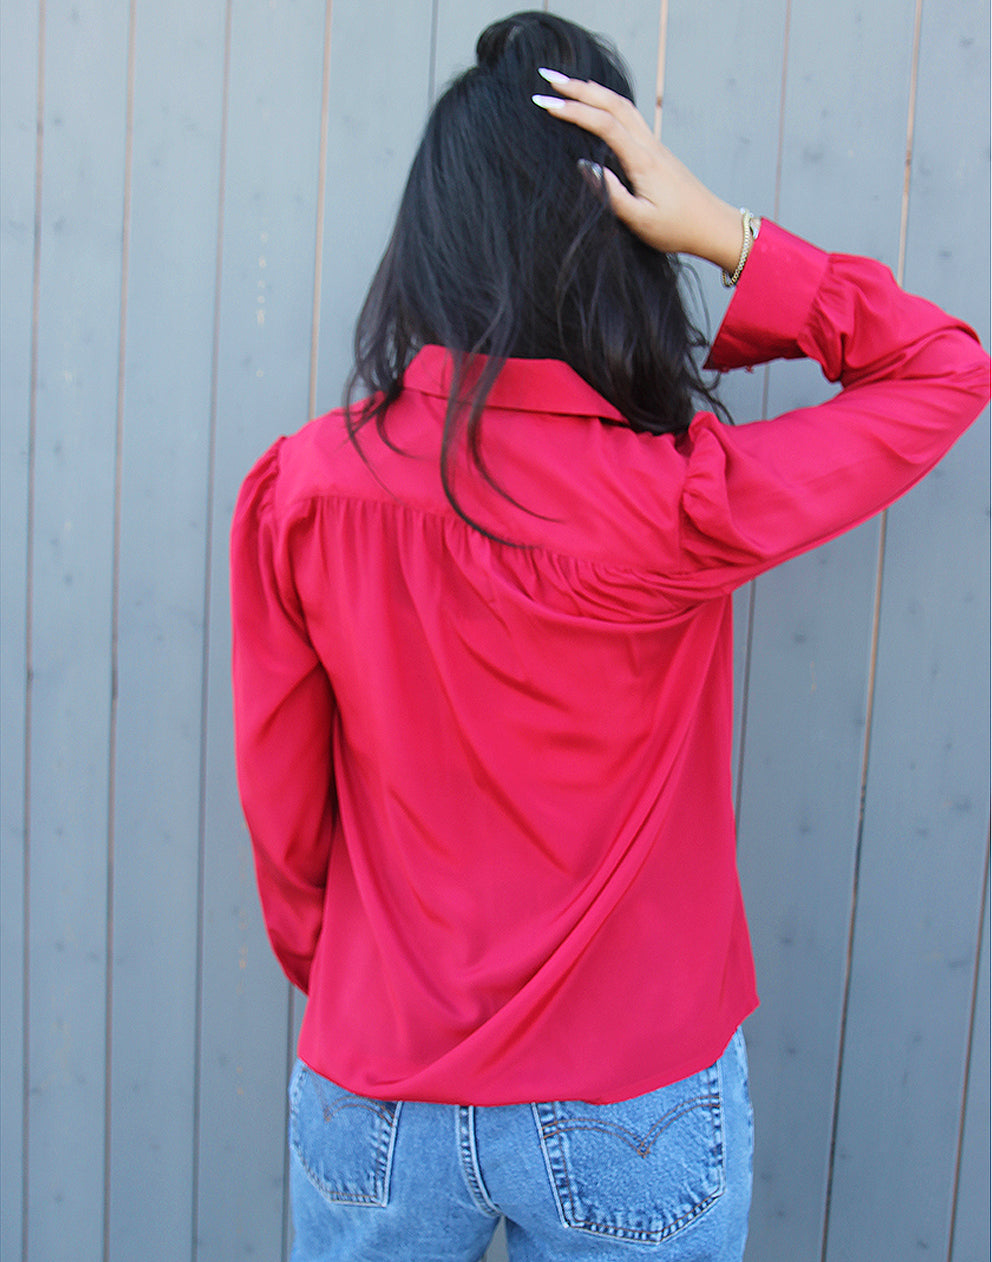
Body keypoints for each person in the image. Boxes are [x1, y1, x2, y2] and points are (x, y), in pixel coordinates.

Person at [229, 12, 989, 1261]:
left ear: (431, 239)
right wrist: (727, 234)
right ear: (615, 237)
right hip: (628, 1094)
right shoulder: (676, 500)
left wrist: (365, 992)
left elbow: (284, 809)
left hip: (378, 1078)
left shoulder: (305, 489)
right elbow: (940, 369)